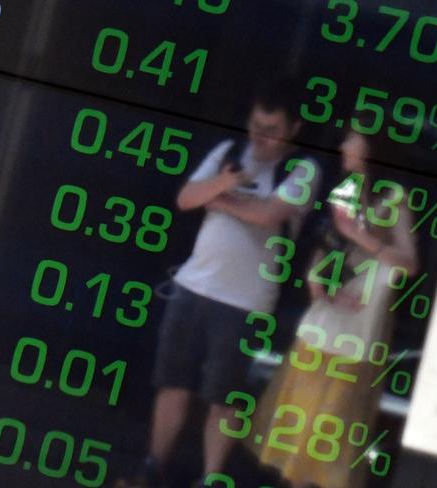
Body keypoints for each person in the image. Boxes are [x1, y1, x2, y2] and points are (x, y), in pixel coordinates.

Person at [116, 79, 321, 487]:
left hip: (245, 302)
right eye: (256, 125)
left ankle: (211, 479)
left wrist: (221, 196)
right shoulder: (228, 152)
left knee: (224, 399)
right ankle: (153, 467)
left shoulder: (302, 168)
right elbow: (187, 198)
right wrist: (226, 186)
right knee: (172, 382)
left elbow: (271, 213)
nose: (260, 137)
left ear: (293, 129)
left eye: (272, 129)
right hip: (194, 287)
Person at [247, 129, 418, 488]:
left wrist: (362, 236)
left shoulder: (394, 197)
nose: (343, 146)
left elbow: (409, 263)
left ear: (371, 148)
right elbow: (325, 244)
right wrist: (317, 281)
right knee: (298, 425)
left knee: (329, 431)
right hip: (326, 319)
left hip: (360, 326)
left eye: (352, 139)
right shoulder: (346, 190)